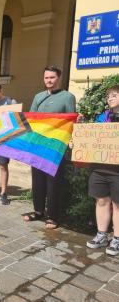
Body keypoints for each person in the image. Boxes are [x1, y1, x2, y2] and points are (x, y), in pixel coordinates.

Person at [23, 66, 76, 229]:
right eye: (46, 78)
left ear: (58, 78)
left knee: (53, 183)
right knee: (37, 181)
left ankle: (53, 216)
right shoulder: (38, 97)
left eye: (52, 77)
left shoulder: (67, 97)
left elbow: (71, 121)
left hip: (56, 147)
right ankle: (38, 211)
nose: (49, 81)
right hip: (39, 145)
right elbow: (31, 119)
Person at [85, 85, 119, 256]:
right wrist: (78, 141)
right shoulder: (103, 117)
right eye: (109, 96)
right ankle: (101, 235)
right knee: (101, 201)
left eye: (114, 95)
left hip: (118, 171)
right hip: (100, 167)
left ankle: (117, 240)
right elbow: (92, 137)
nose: (110, 98)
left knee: (118, 204)